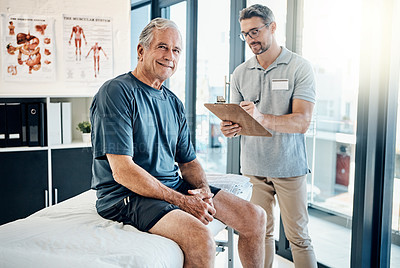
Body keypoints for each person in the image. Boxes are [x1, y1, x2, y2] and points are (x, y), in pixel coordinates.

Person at [90, 17, 266, 268]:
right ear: (141, 51)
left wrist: (203, 191)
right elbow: (123, 172)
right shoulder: (116, 92)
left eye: (176, 50)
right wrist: (182, 201)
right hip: (126, 196)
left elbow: (189, 162)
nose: (169, 56)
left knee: (255, 217)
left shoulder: (173, 103)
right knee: (200, 237)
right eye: (162, 47)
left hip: (168, 186)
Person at [220, 4, 317, 268]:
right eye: (245, 34)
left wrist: (261, 118)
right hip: (254, 167)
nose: (250, 39)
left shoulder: (299, 67)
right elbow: (238, 118)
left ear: (272, 27)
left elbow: (302, 122)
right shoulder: (241, 73)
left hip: (289, 167)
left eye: (255, 31)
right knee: (261, 234)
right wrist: (229, 128)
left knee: (299, 238)